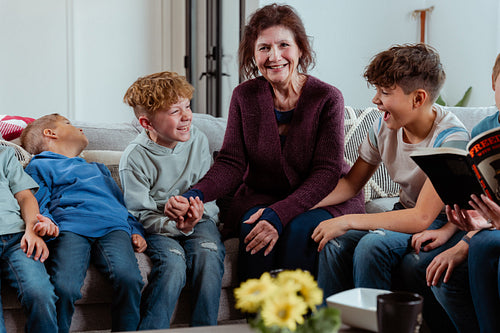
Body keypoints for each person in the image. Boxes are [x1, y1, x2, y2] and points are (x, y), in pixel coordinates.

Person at [164, 3, 365, 281]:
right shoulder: (244, 96)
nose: (274, 56)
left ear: (300, 50)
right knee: (252, 228)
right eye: (264, 48)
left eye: (284, 45)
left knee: (298, 230)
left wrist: (279, 213)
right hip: (266, 194)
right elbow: (232, 163)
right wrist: (193, 195)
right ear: (253, 54)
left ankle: (297, 319)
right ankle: (258, 317)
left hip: (322, 198)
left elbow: (326, 173)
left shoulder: (327, 98)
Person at [311, 44, 470, 314]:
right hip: (404, 214)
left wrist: (347, 220)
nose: (375, 100)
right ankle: (330, 326)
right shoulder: (381, 127)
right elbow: (351, 184)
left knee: (372, 246)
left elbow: (422, 217)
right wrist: (302, 203)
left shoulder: (451, 138)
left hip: (440, 221)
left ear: (418, 99)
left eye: (385, 92)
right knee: (333, 244)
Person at [20, 114, 146, 333]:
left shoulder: (98, 169)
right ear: (50, 133)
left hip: (114, 227)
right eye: (68, 124)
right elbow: (38, 201)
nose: (78, 128)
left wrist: (136, 230)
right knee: (64, 286)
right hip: (70, 227)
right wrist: (46, 222)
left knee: (130, 279)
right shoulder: (39, 166)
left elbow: (121, 204)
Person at [119, 71, 225, 329]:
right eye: (175, 111)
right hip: (158, 227)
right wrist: (175, 224)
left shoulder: (198, 139)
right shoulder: (133, 158)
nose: (187, 116)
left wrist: (195, 211)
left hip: (200, 221)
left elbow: (207, 190)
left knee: (208, 256)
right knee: (173, 265)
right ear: (147, 123)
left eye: (187, 106)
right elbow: (138, 214)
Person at [412, 52, 500, 333]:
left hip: (490, 236)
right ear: (493, 83)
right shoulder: (485, 130)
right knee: (445, 277)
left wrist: (465, 245)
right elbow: (482, 203)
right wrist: (465, 227)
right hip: (490, 228)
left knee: (484, 246)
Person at [0, 144, 58, 332]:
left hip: (17, 238)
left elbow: (25, 197)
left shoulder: (5, 154)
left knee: (40, 293)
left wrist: (31, 230)